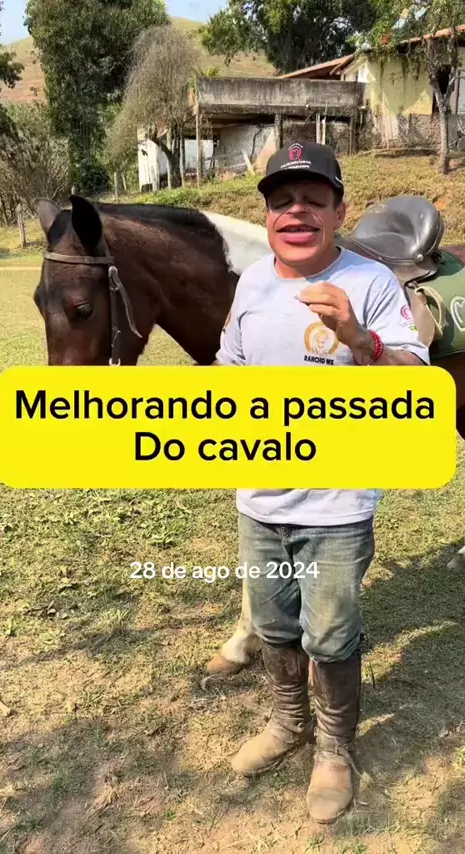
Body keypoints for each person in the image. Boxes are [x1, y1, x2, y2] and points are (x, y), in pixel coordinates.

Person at [214, 140, 429, 825]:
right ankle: (288, 723)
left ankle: (335, 749)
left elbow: (417, 387)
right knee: (274, 626)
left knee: (331, 636)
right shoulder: (251, 283)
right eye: (282, 201)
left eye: (313, 199)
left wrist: (360, 339)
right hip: (258, 500)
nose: (296, 211)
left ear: (339, 210)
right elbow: (230, 374)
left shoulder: (371, 282)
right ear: (268, 216)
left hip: (337, 506)